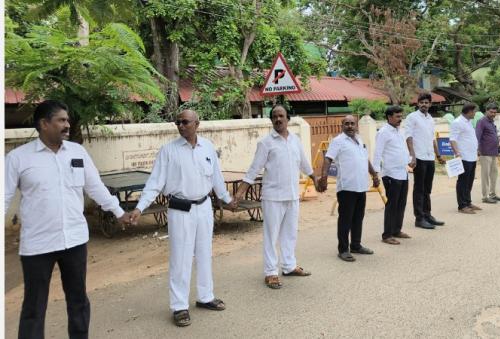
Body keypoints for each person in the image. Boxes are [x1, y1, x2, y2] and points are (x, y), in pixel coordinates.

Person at [5, 100, 131, 339]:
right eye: (61, 120)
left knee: (78, 301)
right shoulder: (18, 158)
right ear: (44, 124)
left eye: (67, 120)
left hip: (74, 241)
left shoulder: (77, 152)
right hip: (37, 245)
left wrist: (119, 212)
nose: (67, 124)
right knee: (34, 307)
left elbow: (95, 187)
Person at [130, 109, 236, 327]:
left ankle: (205, 297)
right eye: (177, 122)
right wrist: (140, 208)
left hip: (204, 207)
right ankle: (179, 306)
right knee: (181, 258)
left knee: (205, 253)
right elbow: (155, 183)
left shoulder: (207, 147)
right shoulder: (169, 151)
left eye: (185, 122)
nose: (180, 125)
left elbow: (216, 178)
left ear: (197, 123)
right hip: (181, 210)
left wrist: (227, 199)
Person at [236, 105, 317, 289]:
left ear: (288, 118)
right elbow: (253, 169)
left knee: (290, 234)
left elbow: (304, 163)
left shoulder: (295, 140)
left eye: (281, 116)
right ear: (271, 120)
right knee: (271, 236)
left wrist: (314, 178)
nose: (278, 119)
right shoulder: (266, 143)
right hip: (272, 197)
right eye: (274, 116)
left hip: (292, 195)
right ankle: (271, 272)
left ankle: (288, 266)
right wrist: (240, 192)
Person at [318, 115, 380, 261]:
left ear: (356, 125)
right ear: (342, 125)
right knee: (346, 219)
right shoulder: (338, 141)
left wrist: (374, 175)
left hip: (361, 186)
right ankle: (343, 249)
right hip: (346, 187)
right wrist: (324, 177)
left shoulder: (359, 140)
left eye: (352, 123)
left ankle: (356, 245)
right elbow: (328, 159)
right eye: (347, 124)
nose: (350, 126)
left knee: (358, 218)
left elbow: (366, 159)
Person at [373, 106, 414, 243]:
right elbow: (377, 153)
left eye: (401, 116)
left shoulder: (399, 131)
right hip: (390, 173)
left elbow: (401, 149)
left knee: (401, 203)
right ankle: (387, 235)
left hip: (403, 172)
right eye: (397, 116)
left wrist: (409, 160)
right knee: (392, 204)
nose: (400, 119)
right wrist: (375, 173)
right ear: (389, 117)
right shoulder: (383, 132)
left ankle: (397, 230)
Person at [405, 93, 446, 229]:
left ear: (430, 104)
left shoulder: (430, 119)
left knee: (427, 188)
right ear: (418, 104)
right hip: (419, 157)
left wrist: (438, 154)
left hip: (429, 157)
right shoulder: (412, 117)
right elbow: (408, 137)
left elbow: (432, 138)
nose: (424, 104)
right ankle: (419, 218)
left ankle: (427, 214)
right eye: (421, 102)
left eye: (426, 102)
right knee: (419, 188)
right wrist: (413, 156)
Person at [449, 103, 480, 214]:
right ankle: (462, 205)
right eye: (474, 112)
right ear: (469, 112)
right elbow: (452, 139)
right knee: (463, 181)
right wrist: (457, 153)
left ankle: (468, 202)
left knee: (469, 181)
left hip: (472, 157)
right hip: (463, 157)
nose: (475, 114)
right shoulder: (457, 122)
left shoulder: (469, 122)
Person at [475, 103, 500, 204]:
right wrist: (478, 150)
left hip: (493, 152)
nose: (493, 114)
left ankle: (493, 194)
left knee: (494, 175)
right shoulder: (481, 122)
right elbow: (477, 137)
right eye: (491, 112)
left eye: (495, 112)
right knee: (485, 175)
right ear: (486, 111)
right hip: (485, 153)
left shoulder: (492, 122)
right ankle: (485, 196)